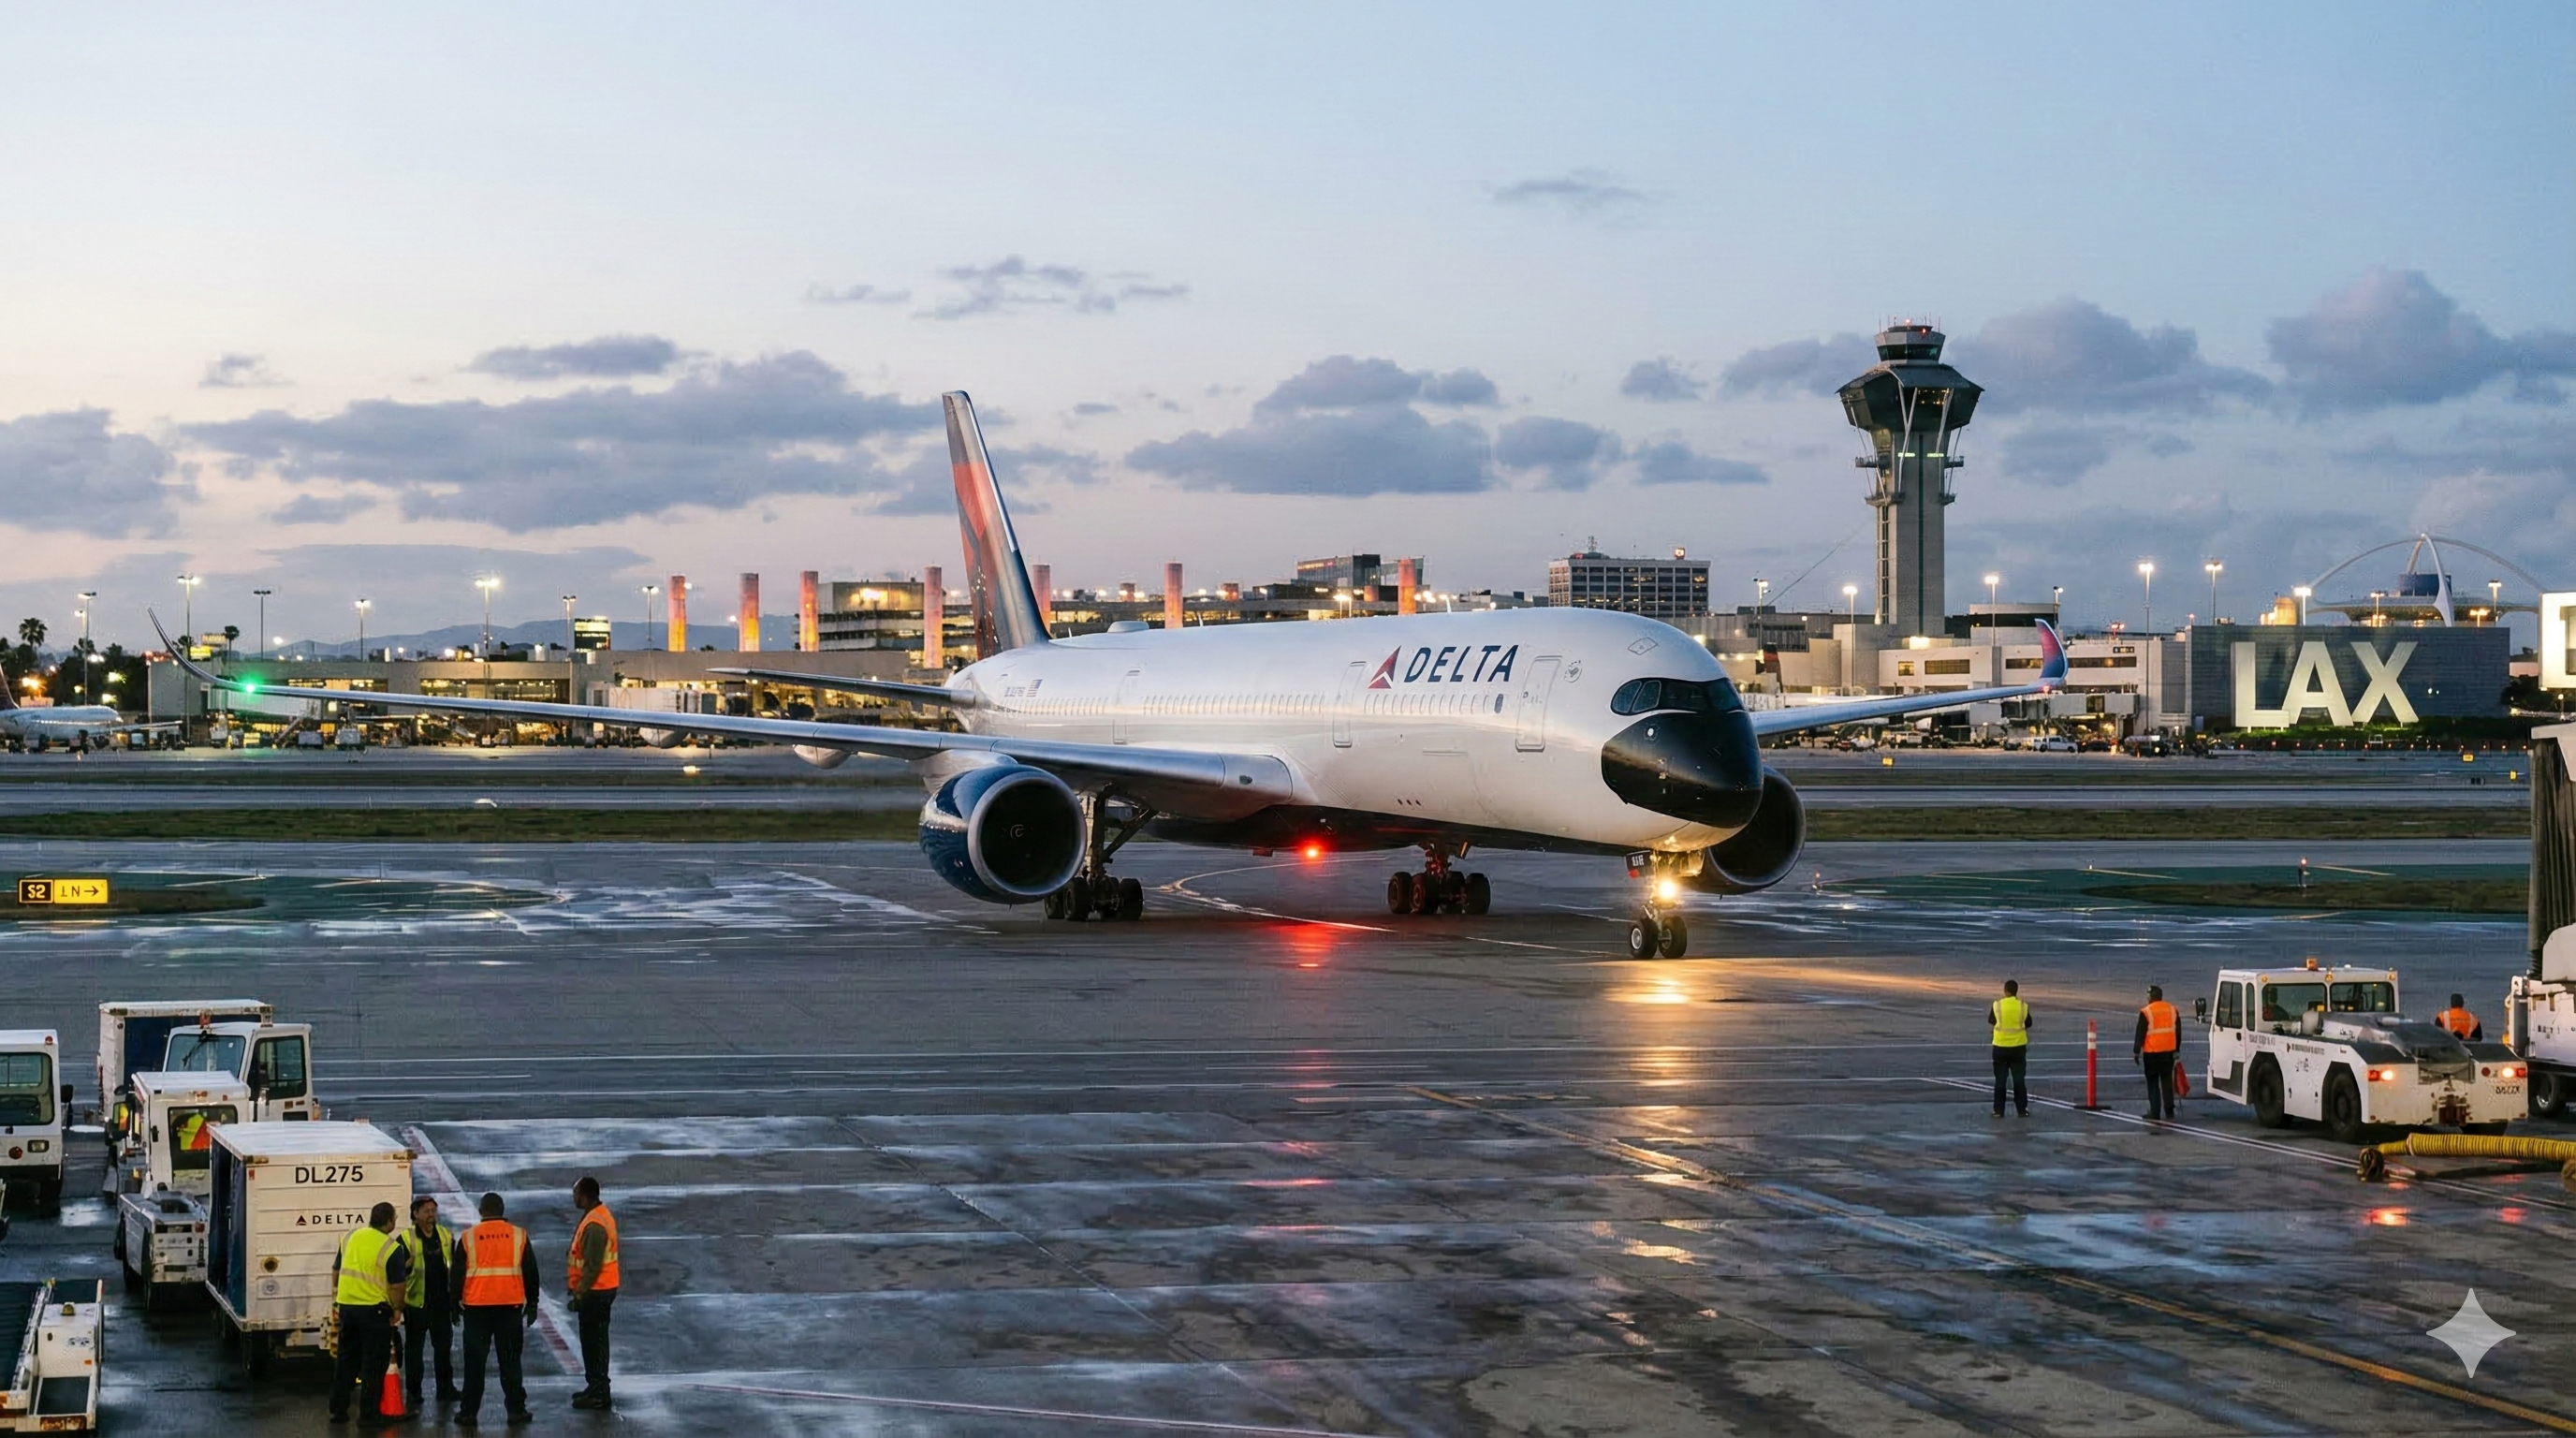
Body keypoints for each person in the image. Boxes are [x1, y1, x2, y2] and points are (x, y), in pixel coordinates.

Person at [454, 1191, 540, 1430]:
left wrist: (453, 1304)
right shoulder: (518, 1236)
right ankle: (516, 1411)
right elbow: (531, 1272)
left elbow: (457, 1276)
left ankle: (468, 1412)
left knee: (474, 1365)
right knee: (511, 1364)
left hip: (476, 1311)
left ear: (481, 1211)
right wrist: (532, 1303)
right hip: (509, 1309)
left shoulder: (468, 1237)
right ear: (502, 1211)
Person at [328, 1202, 414, 1425]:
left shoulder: (350, 1237)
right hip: (374, 1312)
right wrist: (397, 1309)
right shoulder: (391, 1248)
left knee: (346, 1360)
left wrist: (338, 1298)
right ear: (388, 1222)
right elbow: (397, 1287)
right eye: (394, 1219)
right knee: (374, 1364)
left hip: (347, 1307)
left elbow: (336, 1270)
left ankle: (338, 1409)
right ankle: (369, 1414)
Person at [398, 1196, 460, 1410]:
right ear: (415, 1214)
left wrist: (455, 1299)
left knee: (443, 1350)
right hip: (416, 1304)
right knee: (414, 1353)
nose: (431, 1215)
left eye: (434, 1210)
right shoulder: (406, 1239)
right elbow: (398, 1273)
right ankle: (414, 1393)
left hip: (441, 1303)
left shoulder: (445, 1235)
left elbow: (454, 1266)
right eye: (426, 1211)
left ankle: (446, 1389)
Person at [566, 1176, 621, 1411]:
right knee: (592, 1342)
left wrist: (579, 1294)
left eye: (576, 1193)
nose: (574, 1197)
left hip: (596, 1292)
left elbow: (592, 1266)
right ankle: (595, 1386)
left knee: (594, 1343)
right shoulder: (596, 1216)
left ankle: (599, 1391)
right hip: (599, 1290)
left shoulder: (595, 1224)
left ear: (586, 1195)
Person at [2134, 985, 2180, 1122]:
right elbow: (2178, 1033)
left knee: (2153, 1082)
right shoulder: (2173, 1010)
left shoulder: (2146, 1012)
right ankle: (2169, 1109)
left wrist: (2136, 1051)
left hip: (2152, 1053)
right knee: (2167, 1081)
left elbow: (2140, 1034)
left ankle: (2155, 1111)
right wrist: (2177, 1050)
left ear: (2151, 997)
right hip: (2169, 1052)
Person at [1988, 979, 2032, 1117]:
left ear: (2005, 991)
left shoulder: (1997, 1005)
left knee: (2000, 1080)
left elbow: (1992, 1020)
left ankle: (1998, 1110)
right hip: (2018, 1047)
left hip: (2000, 1046)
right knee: (2019, 1080)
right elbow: (2028, 1023)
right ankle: (2021, 1110)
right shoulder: (2023, 1006)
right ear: (2016, 991)